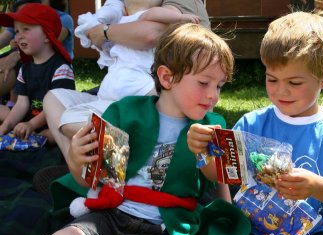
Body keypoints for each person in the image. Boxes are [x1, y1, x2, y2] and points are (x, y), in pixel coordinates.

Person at [20, 23, 250, 235]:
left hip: (162, 231)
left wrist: (205, 153)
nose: (213, 95)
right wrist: (78, 161)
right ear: (167, 77)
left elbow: (218, 179)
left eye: (219, 86)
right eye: (204, 83)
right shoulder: (125, 112)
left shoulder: (211, 125)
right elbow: (92, 179)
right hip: (108, 214)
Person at [187, 12, 323, 235]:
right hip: (258, 230)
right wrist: (201, 152)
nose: (281, 90)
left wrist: (315, 186)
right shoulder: (251, 124)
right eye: (272, 79)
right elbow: (220, 174)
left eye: (294, 82)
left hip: (318, 233)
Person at [44, 0, 208, 161]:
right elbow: (98, 32)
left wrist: (105, 31)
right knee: (56, 102)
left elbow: (149, 34)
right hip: (114, 91)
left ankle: (123, 152)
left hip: (143, 88)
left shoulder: (149, 13)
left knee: (158, 108)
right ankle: (80, 165)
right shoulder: (122, 17)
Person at [0, 3, 75, 143]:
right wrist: (5, 127)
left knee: (56, 134)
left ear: (47, 36)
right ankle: (28, 133)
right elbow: (22, 104)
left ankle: (38, 137)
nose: (19, 36)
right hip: (29, 120)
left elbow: (59, 106)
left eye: (25, 29)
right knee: (9, 120)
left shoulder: (61, 68)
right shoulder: (25, 68)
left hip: (54, 121)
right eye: (16, 31)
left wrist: (31, 125)